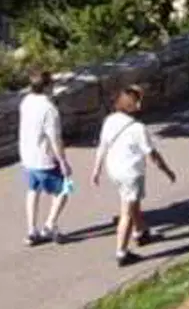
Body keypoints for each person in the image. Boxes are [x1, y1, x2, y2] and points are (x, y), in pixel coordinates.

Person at [92, 85, 177, 267]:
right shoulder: (138, 128)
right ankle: (122, 253)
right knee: (127, 213)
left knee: (133, 203)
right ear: (135, 105)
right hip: (130, 173)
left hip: (114, 170)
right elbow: (152, 154)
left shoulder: (110, 120)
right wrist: (167, 171)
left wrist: (96, 170)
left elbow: (103, 146)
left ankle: (141, 233)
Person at [18, 69, 71, 247]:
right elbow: (55, 138)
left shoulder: (26, 101)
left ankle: (31, 230)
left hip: (27, 156)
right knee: (64, 189)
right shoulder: (49, 109)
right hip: (44, 159)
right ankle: (49, 226)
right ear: (47, 86)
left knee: (33, 190)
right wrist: (62, 161)